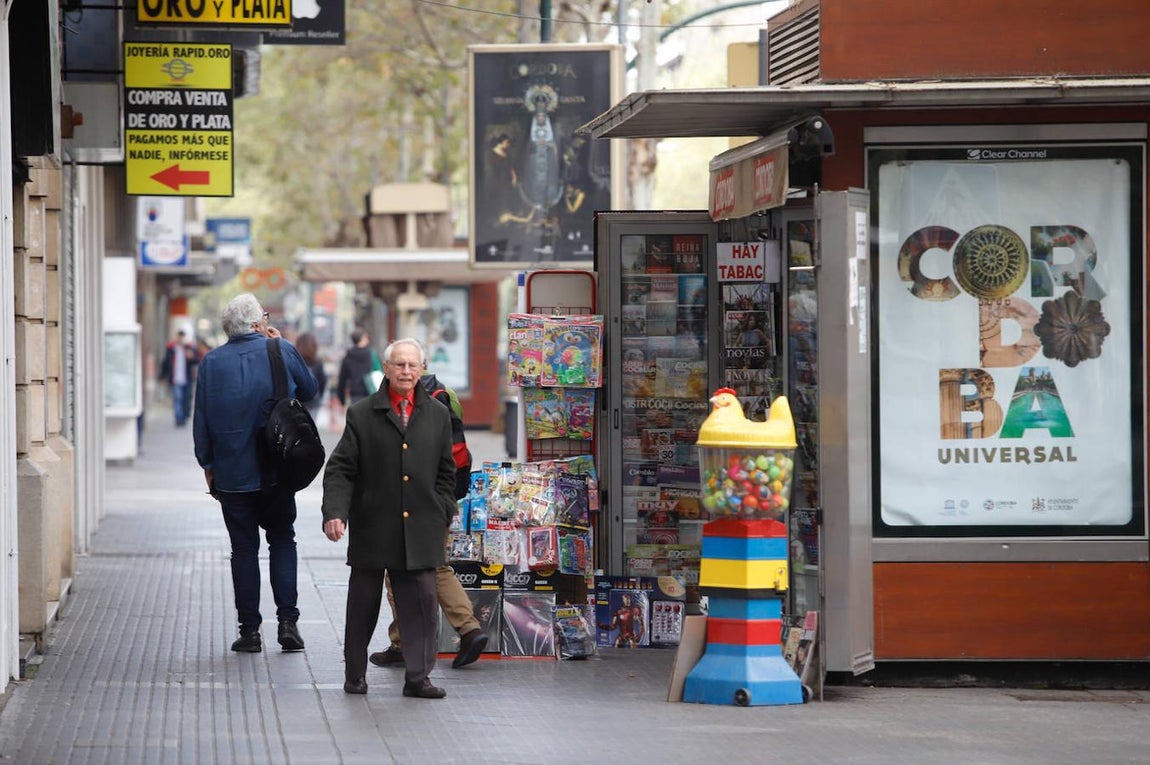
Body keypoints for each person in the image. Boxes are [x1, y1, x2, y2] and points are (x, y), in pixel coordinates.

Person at [321, 338, 457, 698]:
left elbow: (448, 471)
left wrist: (444, 509)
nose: (407, 372)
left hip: (422, 528)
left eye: (413, 366)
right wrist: (335, 512)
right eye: (399, 365)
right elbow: (340, 469)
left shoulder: (439, 414)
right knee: (363, 606)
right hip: (374, 525)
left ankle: (418, 678)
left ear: (422, 369)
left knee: (422, 606)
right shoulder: (363, 413)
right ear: (386, 368)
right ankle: (355, 674)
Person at [192, 293, 317, 654]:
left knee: (243, 550)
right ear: (258, 324)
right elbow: (309, 390)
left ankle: (249, 631)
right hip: (277, 470)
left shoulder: (211, 363)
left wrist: (208, 466)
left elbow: (202, 420)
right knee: (282, 539)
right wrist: (282, 346)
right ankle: (288, 622)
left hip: (232, 474)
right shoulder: (279, 349)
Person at [369, 366, 486, 671]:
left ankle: (405, 644)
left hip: (411, 498)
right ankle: (468, 629)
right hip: (442, 496)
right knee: (436, 565)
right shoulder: (442, 393)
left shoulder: (405, 399)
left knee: (399, 570)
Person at [160, 329, 199, 426]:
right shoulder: (171, 349)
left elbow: (196, 361)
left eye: (182, 337)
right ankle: (178, 418)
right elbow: (166, 363)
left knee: (186, 399)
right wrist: (162, 376)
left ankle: (184, 416)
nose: (180, 339)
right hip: (175, 379)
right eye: (179, 337)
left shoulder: (189, 348)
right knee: (178, 398)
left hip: (187, 379)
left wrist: (191, 357)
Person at [334, 327, 377, 408]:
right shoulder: (371, 354)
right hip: (371, 392)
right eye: (366, 337)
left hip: (355, 395)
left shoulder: (348, 356)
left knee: (357, 419)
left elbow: (342, 379)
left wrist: (342, 399)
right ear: (362, 338)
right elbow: (379, 372)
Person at [295, 332, 327, 419]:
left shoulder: (295, 361)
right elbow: (323, 380)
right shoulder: (317, 362)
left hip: (298, 400)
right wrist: (320, 396)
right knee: (310, 427)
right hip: (314, 399)